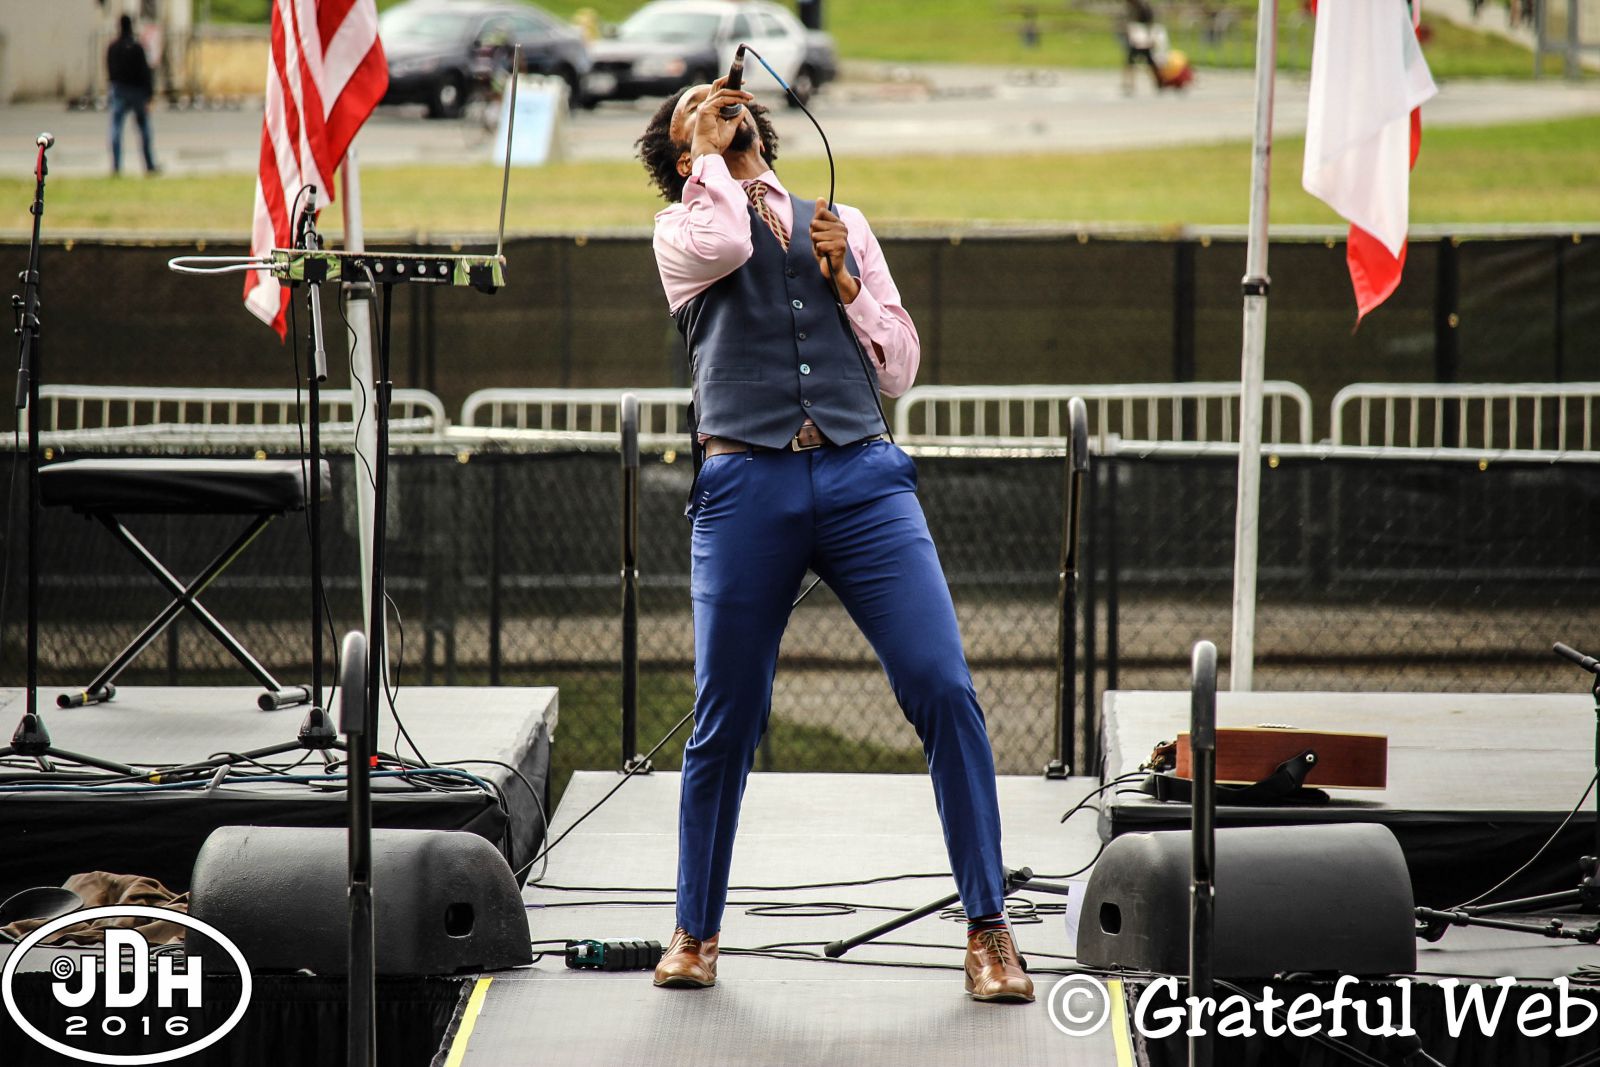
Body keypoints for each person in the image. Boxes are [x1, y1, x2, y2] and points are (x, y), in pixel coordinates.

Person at [633, 78, 1032, 1004]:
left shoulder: (840, 218)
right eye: (695, 106)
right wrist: (701, 154)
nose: (718, 104)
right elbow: (730, 237)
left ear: (759, 123)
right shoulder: (683, 233)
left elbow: (898, 366)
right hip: (745, 485)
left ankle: (989, 928)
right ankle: (696, 929)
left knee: (943, 686)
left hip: (861, 476)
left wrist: (847, 276)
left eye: (724, 100)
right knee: (726, 712)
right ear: (679, 149)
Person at [106, 15, 159, 176]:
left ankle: (116, 166)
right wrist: (149, 94)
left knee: (116, 128)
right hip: (137, 92)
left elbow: (110, 70)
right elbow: (145, 72)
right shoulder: (137, 47)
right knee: (143, 129)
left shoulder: (113, 47)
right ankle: (149, 165)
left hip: (119, 90)